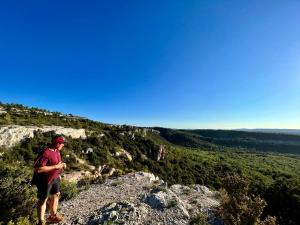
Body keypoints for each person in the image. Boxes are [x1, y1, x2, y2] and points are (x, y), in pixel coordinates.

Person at [34, 135, 67, 225]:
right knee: (43, 199)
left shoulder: (57, 152)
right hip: (45, 180)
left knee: (56, 194)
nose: (63, 145)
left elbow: (57, 163)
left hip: (55, 178)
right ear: (57, 143)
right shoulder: (46, 153)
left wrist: (61, 166)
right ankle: (41, 221)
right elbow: (38, 169)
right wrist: (56, 167)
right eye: (62, 143)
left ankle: (52, 216)